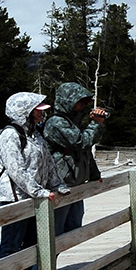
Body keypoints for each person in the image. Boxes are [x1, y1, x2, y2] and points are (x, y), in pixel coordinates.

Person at [0, 91, 67, 270]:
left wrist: (57, 184)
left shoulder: (34, 134)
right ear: (24, 112)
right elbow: (16, 169)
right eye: (37, 111)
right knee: (11, 245)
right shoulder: (9, 135)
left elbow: (48, 163)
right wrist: (38, 191)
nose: (41, 114)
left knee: (30, 243)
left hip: (32, 198)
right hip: (13, 198)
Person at [43, 82, 107, 235]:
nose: (83, 106)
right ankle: (47, 259)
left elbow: (84, 151)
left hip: (75, 184)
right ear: (68, 101)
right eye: (80, 102)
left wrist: (94, 174)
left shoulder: (73, 123)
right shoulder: (56, 122)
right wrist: (96, 124)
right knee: (55, 231)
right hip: (60, 186)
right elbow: (80, 142)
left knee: (73, 228)